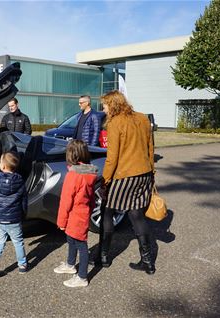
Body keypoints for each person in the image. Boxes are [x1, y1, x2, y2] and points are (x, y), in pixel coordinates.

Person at [94, 90, 156, 274]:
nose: (103, 109)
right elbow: (150, 148)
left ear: (113, 104)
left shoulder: (114, 122)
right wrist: (152, 171)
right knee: (137, 215)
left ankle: (103, 256)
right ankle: (148, 262)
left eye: (104, 105)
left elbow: (112, 158)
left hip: (124, 176)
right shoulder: (143, 118)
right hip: (144, 174)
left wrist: (105, 180)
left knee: (107, 211)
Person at [53, 140, 98, 288]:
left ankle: (82, 277)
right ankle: (71, 264)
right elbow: (91, 197)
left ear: (71, 155)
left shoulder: (73, 175)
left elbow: (66, 201)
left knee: (81, 245)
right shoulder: (89, 172)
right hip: (83, 214)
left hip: (74, 215)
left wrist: (61, 222)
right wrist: (89, 210)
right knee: (72, 239)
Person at [0, 151, 28, 282]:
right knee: (18, 242)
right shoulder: (20, 182)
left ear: (2, 166)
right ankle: (22, 265)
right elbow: (24, 202)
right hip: (14, 220)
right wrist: (24, 215)